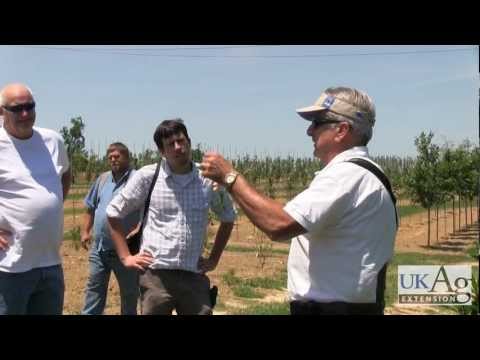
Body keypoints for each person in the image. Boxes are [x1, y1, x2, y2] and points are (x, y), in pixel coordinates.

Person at [200, 86, 398, 315]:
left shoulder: (346, 176)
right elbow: (290, 217)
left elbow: (279, 224)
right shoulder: (366, 173)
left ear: (342, 130)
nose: (309, 131)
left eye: (317, 122)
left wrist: (229, 177)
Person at [106, 119, 236, 315]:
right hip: (156, 277)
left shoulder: (207, 178)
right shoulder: (148, 176)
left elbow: (228, 216)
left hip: (193, 275)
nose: (178, 147)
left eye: (181, 141)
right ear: (162, 151)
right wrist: (125, 257)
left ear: (189, 142)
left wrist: (213, 259)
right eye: (170, 144)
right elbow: (113, 212)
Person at [0, 83, 71, 315]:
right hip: (9, 266)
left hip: (50, 264)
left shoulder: (53, 141)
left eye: (29, 107)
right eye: (17, 108)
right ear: (1, 112)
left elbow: (65, 175)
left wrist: (49, 206)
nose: (25, 114)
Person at [81, 142, 141, 315]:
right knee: (94, 290)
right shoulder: (103, 179)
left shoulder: (137, 179)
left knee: (129, 294)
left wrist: (139, 228)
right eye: (110, 157)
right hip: (99, 249)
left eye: (117, 156)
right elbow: (90, 207)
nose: (113, 160)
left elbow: (148, 209)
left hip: (126, 250)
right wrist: (86, 231)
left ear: (127, 157)